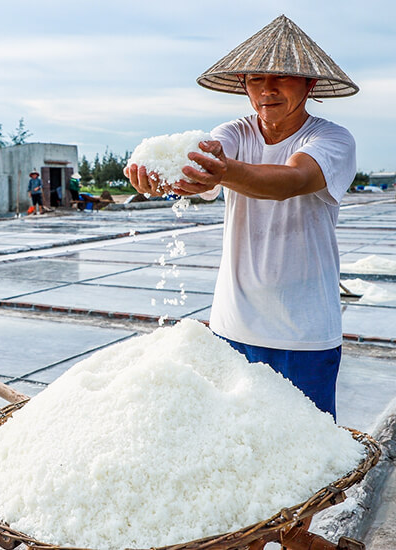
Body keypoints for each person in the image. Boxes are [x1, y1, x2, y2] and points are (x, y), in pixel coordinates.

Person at [125, 15, 357, 421]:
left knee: (306, 442)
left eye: (282, 77)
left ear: (309, 85)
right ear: (243, 85)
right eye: (255, 80)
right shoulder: (233, 133)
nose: (267, 90)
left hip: (304, 332)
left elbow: (290, 180)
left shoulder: (331, 139)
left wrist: (222, 171)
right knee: (236, 439)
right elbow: (206, 164)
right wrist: (165, 177)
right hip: (232, 326)